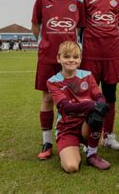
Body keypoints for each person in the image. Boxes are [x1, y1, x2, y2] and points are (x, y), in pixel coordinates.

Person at [31, 0, 85, 160]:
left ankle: (70, 135)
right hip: (47, 56)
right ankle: (47, 141)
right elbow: (35, 25)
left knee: (72, 96)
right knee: (47, 98)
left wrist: (73, 50)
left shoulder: (78, 0)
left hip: (69, 59)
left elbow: (79, 28)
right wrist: (43, 43)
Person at [79, 0, 119, 151]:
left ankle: (108, 135)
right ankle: (86, 136)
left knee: (110, 96)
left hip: (111, 54)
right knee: (88, 96)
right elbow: (81, 25)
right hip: (90, 53)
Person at [47, 41, 110, 172]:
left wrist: (101, 104)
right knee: (71, 167)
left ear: (80, 59)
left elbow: (99, 95)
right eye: (67, 56)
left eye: (75, 57)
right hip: (67, 127)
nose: (71, 60)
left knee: (97, 115)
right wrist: (92, 104)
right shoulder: (53, 82)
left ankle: (92, 154)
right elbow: (65, 107)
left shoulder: (87, 75)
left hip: (86, 124)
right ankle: (71, 148)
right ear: (59, 58)